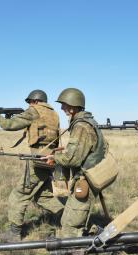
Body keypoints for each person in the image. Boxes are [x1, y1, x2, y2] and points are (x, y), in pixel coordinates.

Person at [0, 89, 63, 241]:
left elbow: (10, 125)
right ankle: (70, 218)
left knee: (18, 195)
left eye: (30, 102)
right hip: (49, 158)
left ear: (34, 101)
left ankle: (14, 234)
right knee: (43, 197)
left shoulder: (34, 111)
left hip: (38, 159)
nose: (29, 105)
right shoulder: (53, 114)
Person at [44, 88, 107, 237]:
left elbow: (73, 159)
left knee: (70, 224)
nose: (62, 108)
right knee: (70, 217)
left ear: (73, 106)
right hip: (87, 176)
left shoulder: (81, 126)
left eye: (64, 105)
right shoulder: (85, 122)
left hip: (87, 179)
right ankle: (98, 233)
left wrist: (54, 158)